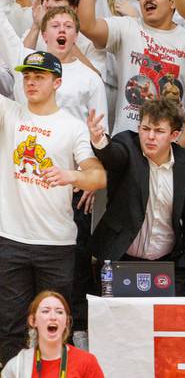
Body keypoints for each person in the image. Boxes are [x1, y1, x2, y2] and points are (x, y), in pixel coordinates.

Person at [0, 51, 105, 365]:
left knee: (55, 328)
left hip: (56, 244)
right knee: (9, 328)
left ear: (57, 82)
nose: (31, 82)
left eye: (39, 76)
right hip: (11, 239)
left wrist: (70, 175)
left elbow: (98, 176)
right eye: (27, 76)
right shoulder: (10, 113)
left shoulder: (72, 127)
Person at [77, 0, 185, 146]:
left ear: (172, 2)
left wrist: (181, 143)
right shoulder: (127, 26)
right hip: (128, 141)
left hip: (170, 142)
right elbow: (87, 26)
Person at [87, 98, 185, 297]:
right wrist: (99, 141)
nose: (150, 137)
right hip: (119, 258)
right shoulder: (127, 144)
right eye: (145, 128)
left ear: (174, 135)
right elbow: (113, 155)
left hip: (167, 263)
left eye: (159, 131)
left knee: (163, 326)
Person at [0, 291, 104, 378]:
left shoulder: (87, 362)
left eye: (59, 312)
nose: (53, 317)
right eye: (45, 311)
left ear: (67, 322)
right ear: (33, 321)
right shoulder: (17, 366)